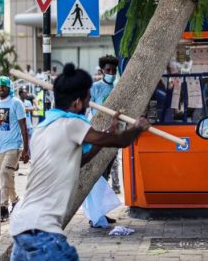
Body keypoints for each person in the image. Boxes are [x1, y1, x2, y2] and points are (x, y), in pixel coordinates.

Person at [9, 63, 150, 260]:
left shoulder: (43, 128)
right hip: (41, 229)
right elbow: (121, 141)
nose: (87, 105)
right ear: (76, 103)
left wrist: (109, 132)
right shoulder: (72, 124)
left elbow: (79, 160)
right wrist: (137, 128)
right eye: (87, 100)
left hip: (22, 224)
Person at [0, 76, 29, 221]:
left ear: (9, 87)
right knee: (7, 176)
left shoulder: (16, 103)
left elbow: (24, 127)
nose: (1, 88)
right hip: (0, 147)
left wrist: (26, 149)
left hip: (14, 145)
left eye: (4, 86)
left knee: (4, 173)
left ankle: (3, 207)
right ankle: (15, 201)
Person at [89, 55, 121, 193]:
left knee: (109, 167)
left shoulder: (119, 87)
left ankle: (105, 199)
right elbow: (88, 108)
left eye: (114, 70)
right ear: (102, 70)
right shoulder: (95, 88)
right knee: (98, 170)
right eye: (108, 70)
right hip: (98, 133)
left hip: (114, 133)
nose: (111, 73)